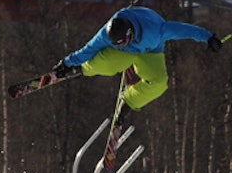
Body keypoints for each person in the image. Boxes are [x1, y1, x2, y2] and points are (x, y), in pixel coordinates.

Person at [52, 6, 222, 117]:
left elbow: (185, 30)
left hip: (149, 49)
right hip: (126, 53)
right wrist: (67, 63)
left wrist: (208, 38)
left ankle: (130, 100)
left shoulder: (157, 31)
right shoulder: (107, 33)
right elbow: (88, 49)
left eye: (123, 42)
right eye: (117, 44)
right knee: (108, 63)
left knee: (159, 82)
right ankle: (83, 69)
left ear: (130, 35)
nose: (122, 45)